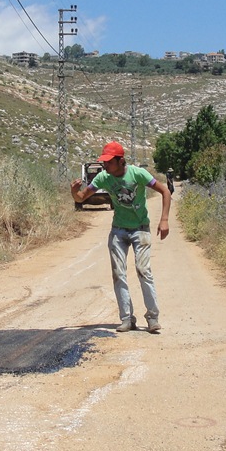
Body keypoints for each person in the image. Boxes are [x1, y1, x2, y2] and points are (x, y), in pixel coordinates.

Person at [71, 141, 172, 333]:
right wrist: (74, 192)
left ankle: (153, 318)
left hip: (140, 229)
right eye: (104, 162)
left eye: (109, 162)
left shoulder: (137, 174)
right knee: (119, 274)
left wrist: (164, 219)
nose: (105, 166)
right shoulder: (103, 177)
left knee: (144, 271)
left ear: (121, 161)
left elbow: (165, 191)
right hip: (118, 230)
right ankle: (127, 319)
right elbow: (82, 197)